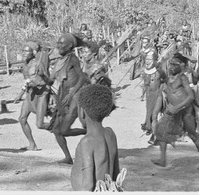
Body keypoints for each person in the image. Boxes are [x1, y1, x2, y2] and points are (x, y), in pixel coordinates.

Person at [151, 56, 199, 169]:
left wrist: (177, 107)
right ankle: (162, 159)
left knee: (192, 134)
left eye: (175, 65)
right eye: (171, 64)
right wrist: (158, 67)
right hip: (172, 111)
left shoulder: (182, 78)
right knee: (161, 131)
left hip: (186, 111)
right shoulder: (169, 77)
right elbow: (163, 76)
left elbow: (190, 97)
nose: (172, 67)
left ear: (181, 66)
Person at [49, 33, 89, 164]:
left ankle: (88, 131)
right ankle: (67, 157)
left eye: (61, 44)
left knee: (65, 130)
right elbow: (50, 80)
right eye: (58, 43)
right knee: (56, 130)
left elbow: (82, 78)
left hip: (74, 96)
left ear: (69, 46)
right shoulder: (60, 61)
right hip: (62, 94)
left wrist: (71, 95)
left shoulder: (73, 59)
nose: (58, 46)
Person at [71, 84, 119, 191]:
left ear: (82, 112)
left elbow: (88, 185)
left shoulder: (87, 142)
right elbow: (116, 173)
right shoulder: (111, 134)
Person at [13, 41, 51, 150]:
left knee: (40, 124)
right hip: (29, 94)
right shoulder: (25, 65)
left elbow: (45, 79)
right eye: (23, 51)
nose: (24, 53)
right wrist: (19, 95)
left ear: (33, 53)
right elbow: (26, 81)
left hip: (40, 93)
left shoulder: (38, 64)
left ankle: (58, 128)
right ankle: (32, 144)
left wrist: (35, 84)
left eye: (27, 51)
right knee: (22, 119)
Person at [141, 50, 167, 144]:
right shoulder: (145, 72)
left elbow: (166, 79)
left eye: (150, 59)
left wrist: (163, 89)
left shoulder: (159, 71)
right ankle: (152, 130)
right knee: (150, 115)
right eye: (146, 59)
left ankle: (154, 137)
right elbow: (145, 85)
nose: (147, 61)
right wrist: (143, 94)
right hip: (149, 96)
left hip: (158, 95)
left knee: (154, 115)